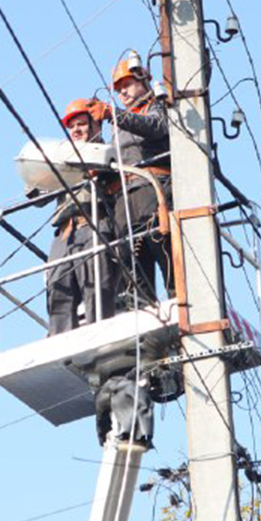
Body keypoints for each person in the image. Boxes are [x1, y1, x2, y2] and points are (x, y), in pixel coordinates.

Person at [45, 98, 117, 336]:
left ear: (96, 127)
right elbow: (36, 189)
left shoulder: (108, 154)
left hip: (94, 224)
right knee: (58, 287)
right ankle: (60, 341)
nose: (76, 130)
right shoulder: (61, 159)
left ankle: (101, 336)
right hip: (66, 232)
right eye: (71, 126)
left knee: (96, 285)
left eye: (82, 124)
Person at [107, 51, 173, 305]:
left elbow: (157, 128)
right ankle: (141, 306)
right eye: (118, 89)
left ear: (143, 79)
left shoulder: (158, 104)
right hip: (126, 199)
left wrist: (114, 115)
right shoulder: (117, 125)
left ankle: (179, 302)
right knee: (132, 260)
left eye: (127, 85)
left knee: (162, 249)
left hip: (155, 190)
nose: (122, 92)